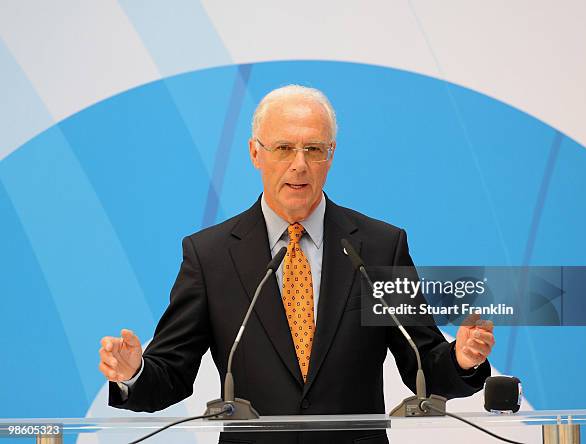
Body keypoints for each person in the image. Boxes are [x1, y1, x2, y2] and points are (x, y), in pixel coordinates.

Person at [98, 85, 495, 444]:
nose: (299, 164)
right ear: (255, 152)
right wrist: (134, 373)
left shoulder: (378, 247)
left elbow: (421, 362)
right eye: (284, 148)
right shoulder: (211, 255)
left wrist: (460, 359)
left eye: (314, 149)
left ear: (331, 154)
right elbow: (173, 372)